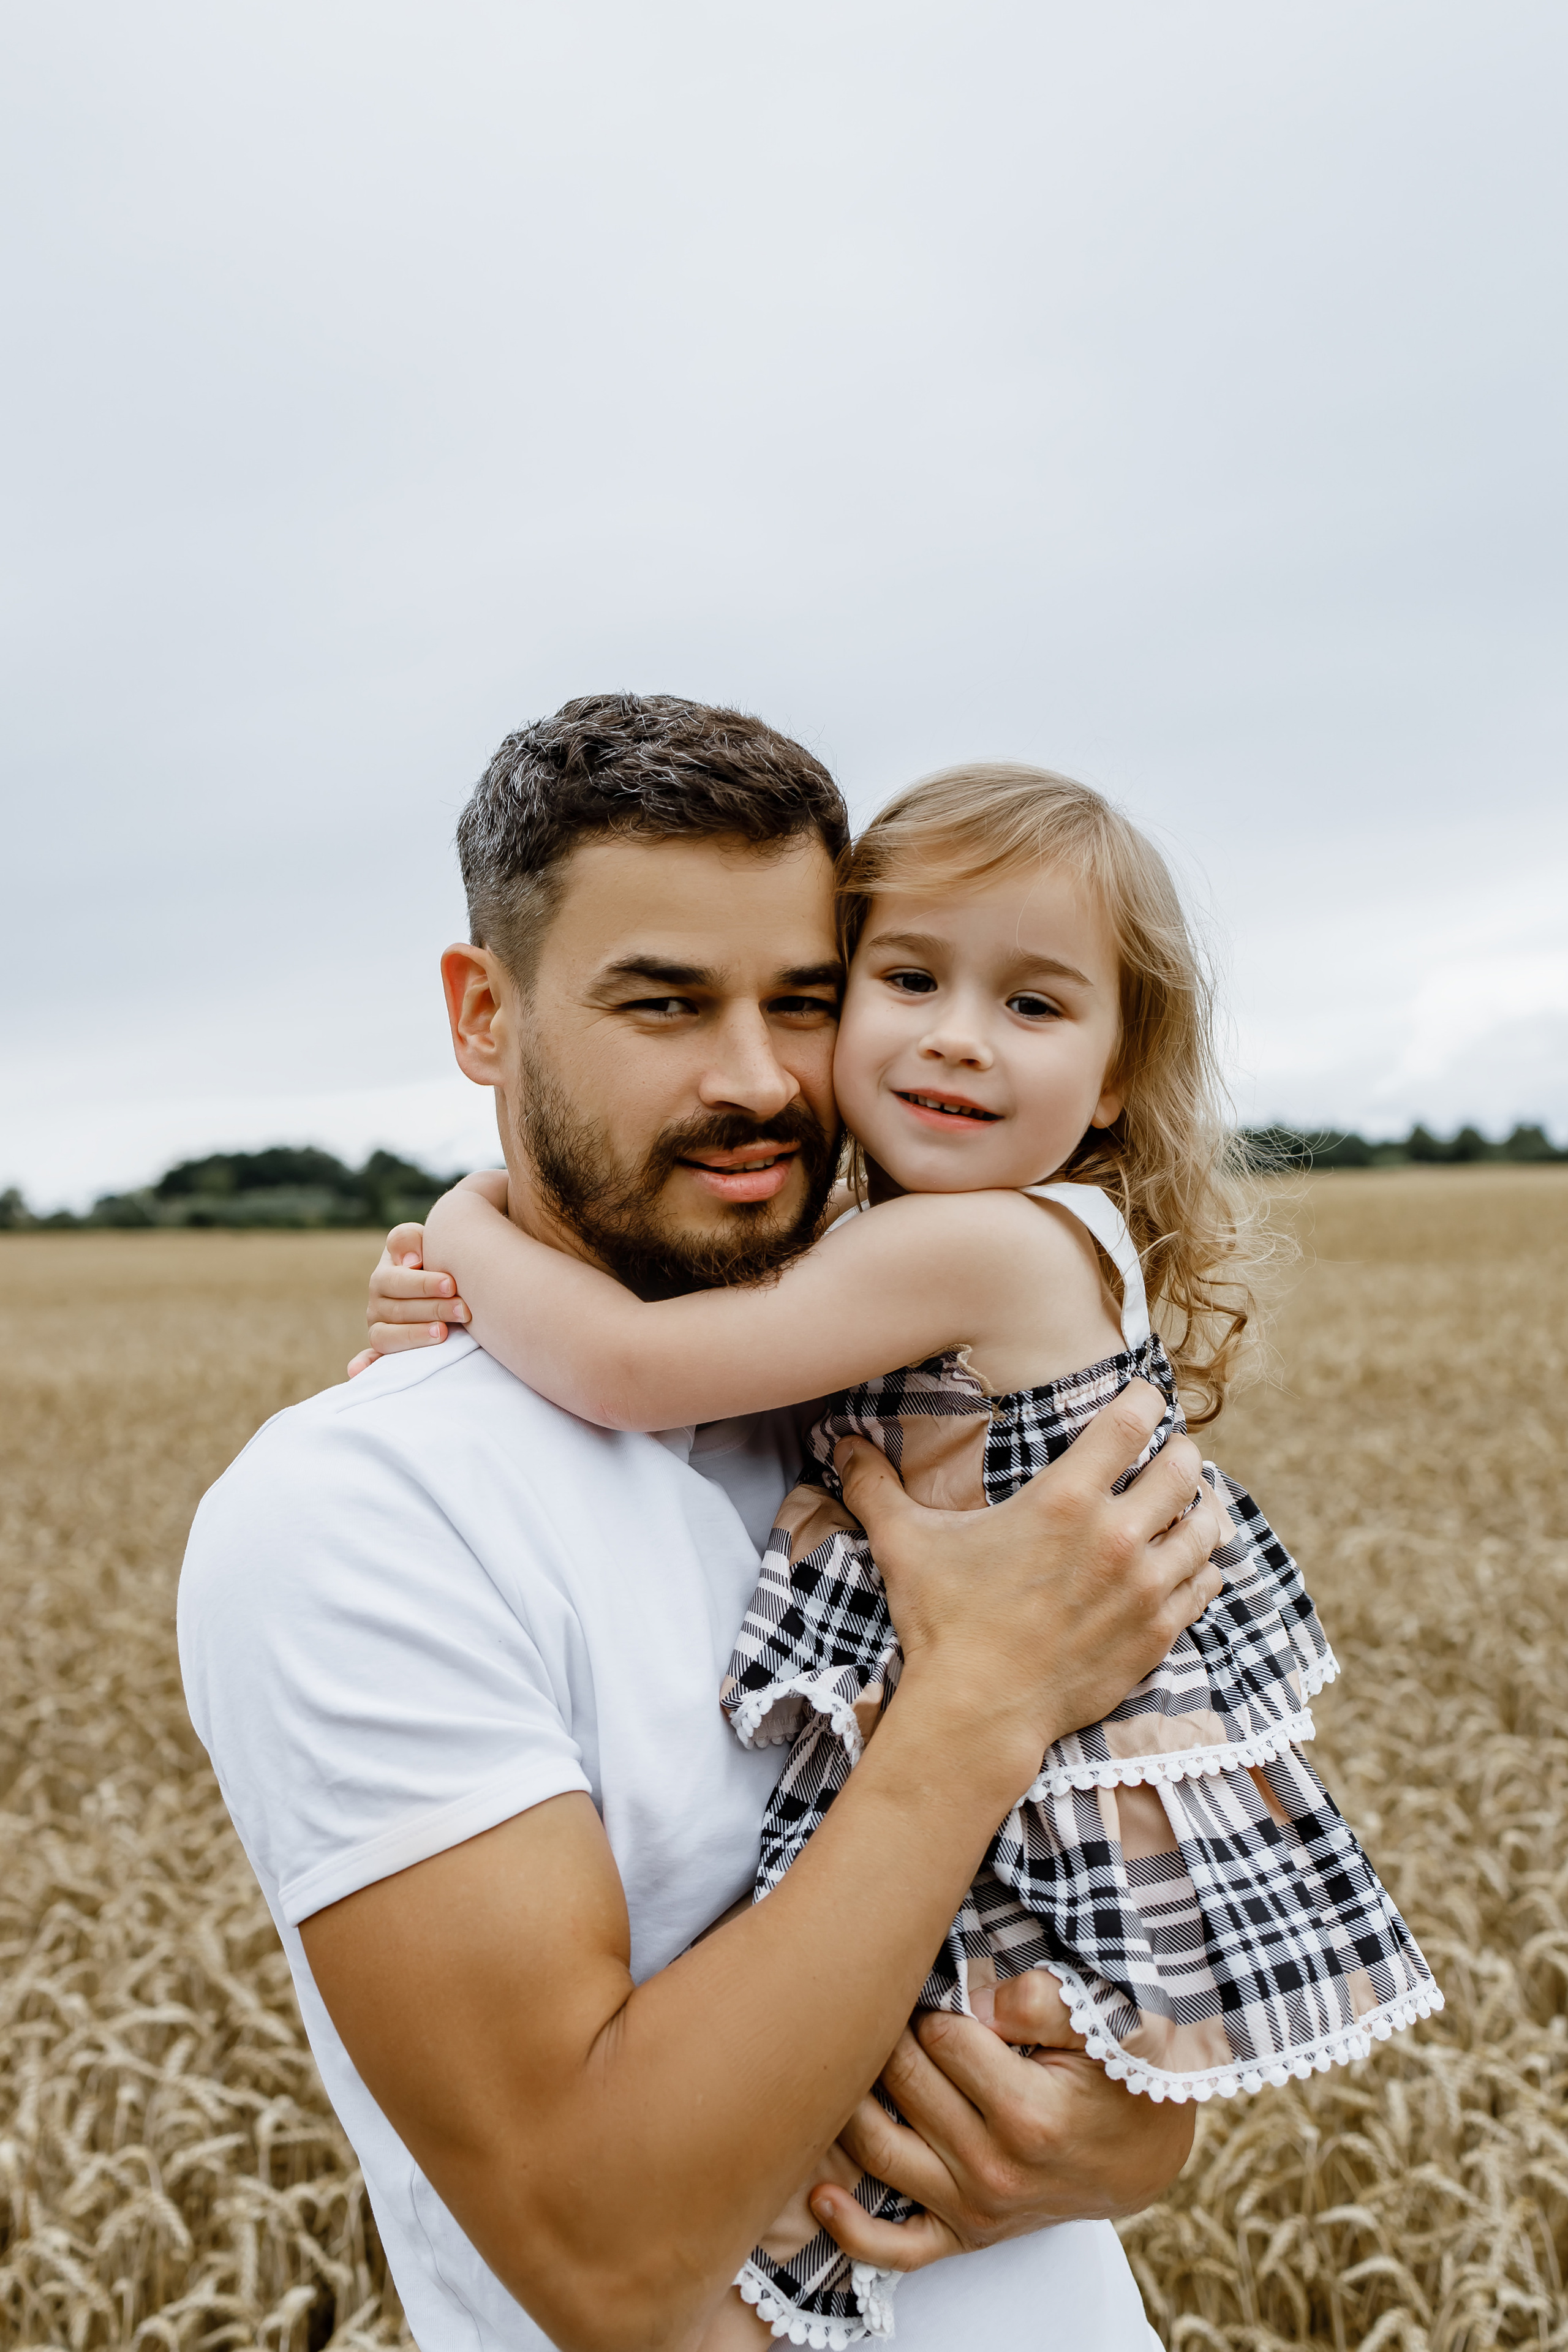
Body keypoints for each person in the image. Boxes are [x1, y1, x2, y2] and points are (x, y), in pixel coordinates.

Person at [179, 696, 1234, 2352]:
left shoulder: (861, 1414)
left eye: (803, 1001)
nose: (755, 1079)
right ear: (483, 1014)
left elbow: (1115, 2010)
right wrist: (987, 1692)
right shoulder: (354, 1512)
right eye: (664, 1005)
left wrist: (1132, 2135)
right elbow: (606, 2252)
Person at [363, 760, 1439, 2345]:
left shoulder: (982, 1240)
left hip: (1027, 1780)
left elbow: (631, 1368)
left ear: (1122, 1071)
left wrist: (460, 1231)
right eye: (908, 978)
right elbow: (681, 1326)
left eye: (1033, 1006)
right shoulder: (926, 1239)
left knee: (847, 2121)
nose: (956, 1034)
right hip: (1001, 1737)